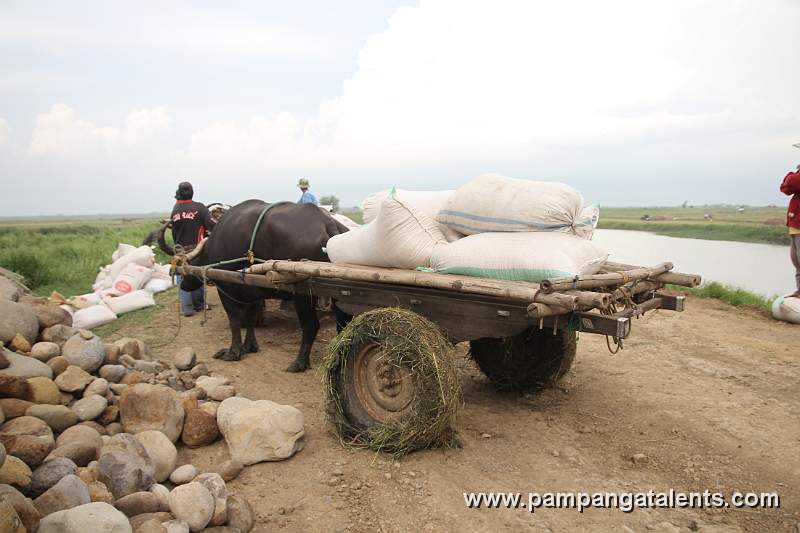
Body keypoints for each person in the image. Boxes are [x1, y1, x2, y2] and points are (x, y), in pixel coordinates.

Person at [171, 181, 216, 316]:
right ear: (192, 192)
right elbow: (212, 226)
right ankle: (199, 305)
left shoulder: (175, 209)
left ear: (179, 193)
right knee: (197, 276)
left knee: (183, 276)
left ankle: (187, 309)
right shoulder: (200, 208)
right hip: (196, 249)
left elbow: (174, 232)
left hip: (180, 249)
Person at [780, 164, 800, 296]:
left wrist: (793, 173)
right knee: (797, 262)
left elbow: (791, 182)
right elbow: (785, 188)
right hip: (795, 226)